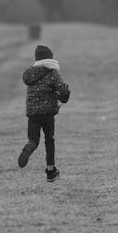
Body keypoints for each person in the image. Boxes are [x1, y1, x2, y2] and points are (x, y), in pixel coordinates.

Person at [18, 45, 71, 182]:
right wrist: (63, 98)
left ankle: (29, 147)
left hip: (33, 114)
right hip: (48, 114)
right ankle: (50, 170)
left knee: (34, 140)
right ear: (50, 59)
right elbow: (63, 90)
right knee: (49, 140)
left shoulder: (30, 74)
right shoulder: (52, 74)